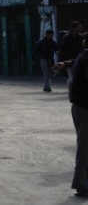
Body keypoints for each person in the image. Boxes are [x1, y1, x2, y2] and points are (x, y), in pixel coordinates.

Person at [67, 46, 88, 197]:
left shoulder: (82, 57)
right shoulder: (85, 59)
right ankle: (82, 185)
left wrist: (65, 63)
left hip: (80, 106)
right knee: (84, 149)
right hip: (84, 107)